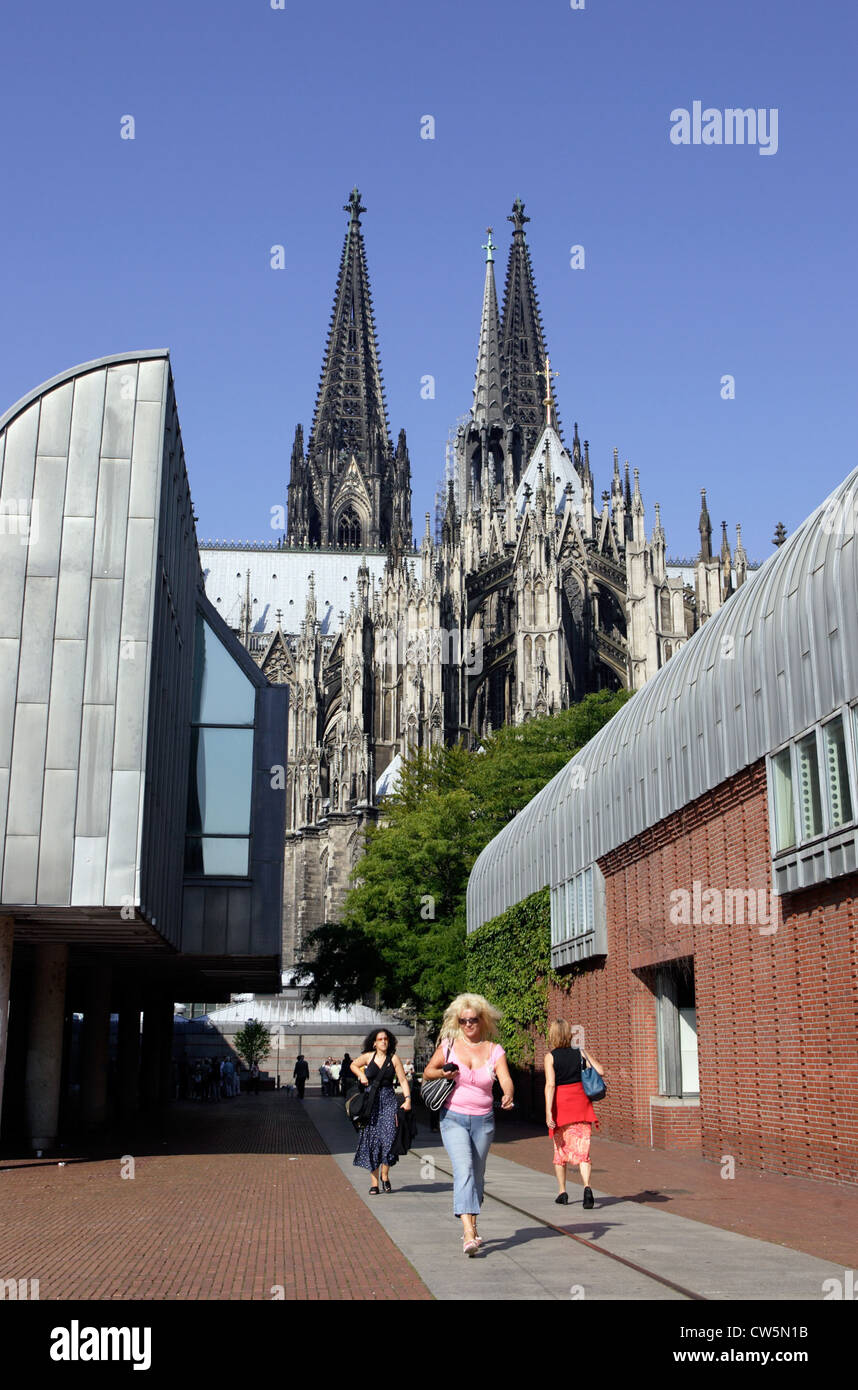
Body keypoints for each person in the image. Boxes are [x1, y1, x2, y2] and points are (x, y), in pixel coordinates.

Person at [423, 994, 514, 1255]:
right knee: (463, 1170)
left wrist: (508, 1094)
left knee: (477, 1175)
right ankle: (468, 1233)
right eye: (463, 1021)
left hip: (483, 1120)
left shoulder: (494, 1050)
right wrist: (443, 1073)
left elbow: (505, 1079)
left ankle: (473, 1224)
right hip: (453, 1117)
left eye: (473, 1020)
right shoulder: (449, 1045)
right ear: (457, 1022)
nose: (468, 1025)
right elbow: (428, 1072)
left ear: (482, 1020)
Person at [544, 1021, 605, 1210]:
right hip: (581, 1104)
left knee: (560, 1150)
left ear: (553, 1035)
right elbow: (601, 1071)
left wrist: (548, 1111)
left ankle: (562, 1192)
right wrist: (585, 1053)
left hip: (561, 1106)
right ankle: (587, 1187)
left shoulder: (550, 1057)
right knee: (583, 1150)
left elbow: (550, 1085)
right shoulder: (579, 1052)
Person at [351, 1029, 412, 1194]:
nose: (383, 1041)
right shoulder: (368, 1057)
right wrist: (361, 1076)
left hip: (388, 1102)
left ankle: (385, 1175)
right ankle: (374, 1183)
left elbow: (402, 1080)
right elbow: (353, 1065)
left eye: (386, 1039)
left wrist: (407, 1099)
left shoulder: (394, 1059)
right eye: (380, 1039)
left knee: (389, 1139)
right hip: (371, 1104)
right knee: (372, 1141)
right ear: (374, 1043)